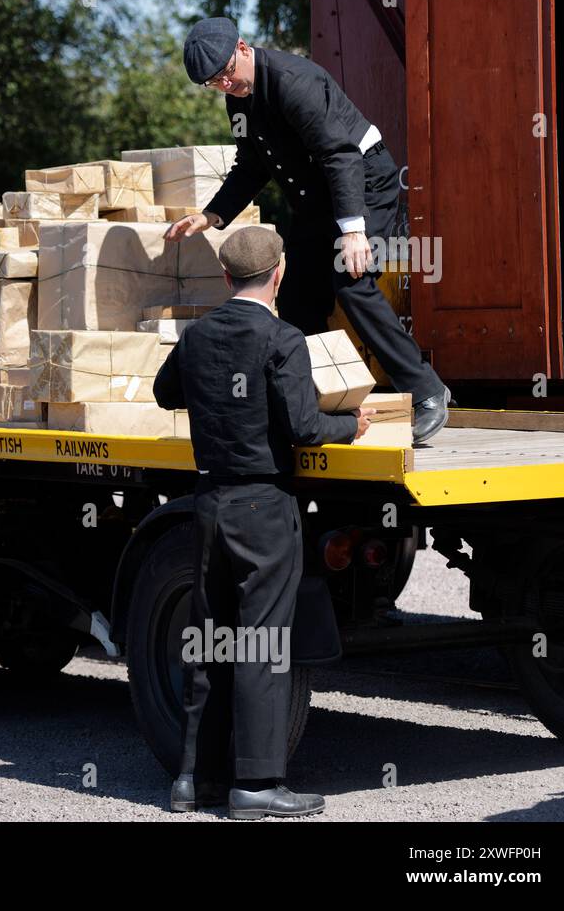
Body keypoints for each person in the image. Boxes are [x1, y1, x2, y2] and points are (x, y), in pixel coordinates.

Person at [153, 226, 371, 819]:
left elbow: (164, 392)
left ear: (227, 277)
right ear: (279, 274)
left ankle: (193, 780)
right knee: (261, 644)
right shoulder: (282, 339)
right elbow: (304, 428)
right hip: (263, 509)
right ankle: (255, 784)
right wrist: (353, 426)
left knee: (210, 641)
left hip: (209, 503)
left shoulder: (197, 335)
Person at [167, 16, 450, 445]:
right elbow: (252, 166)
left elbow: (340, 155)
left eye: (227, 72)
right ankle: (325, 399)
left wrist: (354, 232)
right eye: (214, 83)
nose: (226, 85)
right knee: (297, 297)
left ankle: (428, 391)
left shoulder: (291, 81)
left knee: (350, 280)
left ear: (243, 48)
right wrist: (211, 216)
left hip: (362, 183)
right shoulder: (240, 99)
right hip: (318, 198)